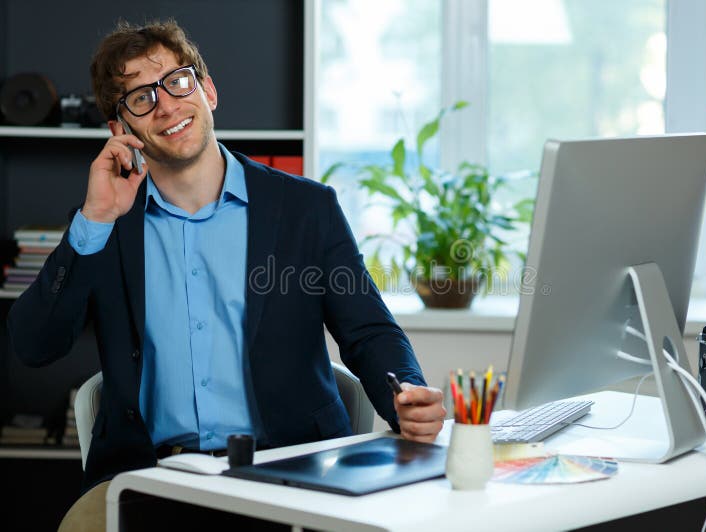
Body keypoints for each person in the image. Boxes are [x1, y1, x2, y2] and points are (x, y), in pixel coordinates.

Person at [7, 19, 445, 531]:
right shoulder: (105, 225)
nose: (167, 106)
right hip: (150, 480)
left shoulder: (306, 209)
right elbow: (34, 346)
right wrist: (95, 219)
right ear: (121, 130)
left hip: (290, 472)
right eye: (141, 98)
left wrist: (405, 394)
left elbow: (369, 331)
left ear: (208, 91)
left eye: (178, 82)